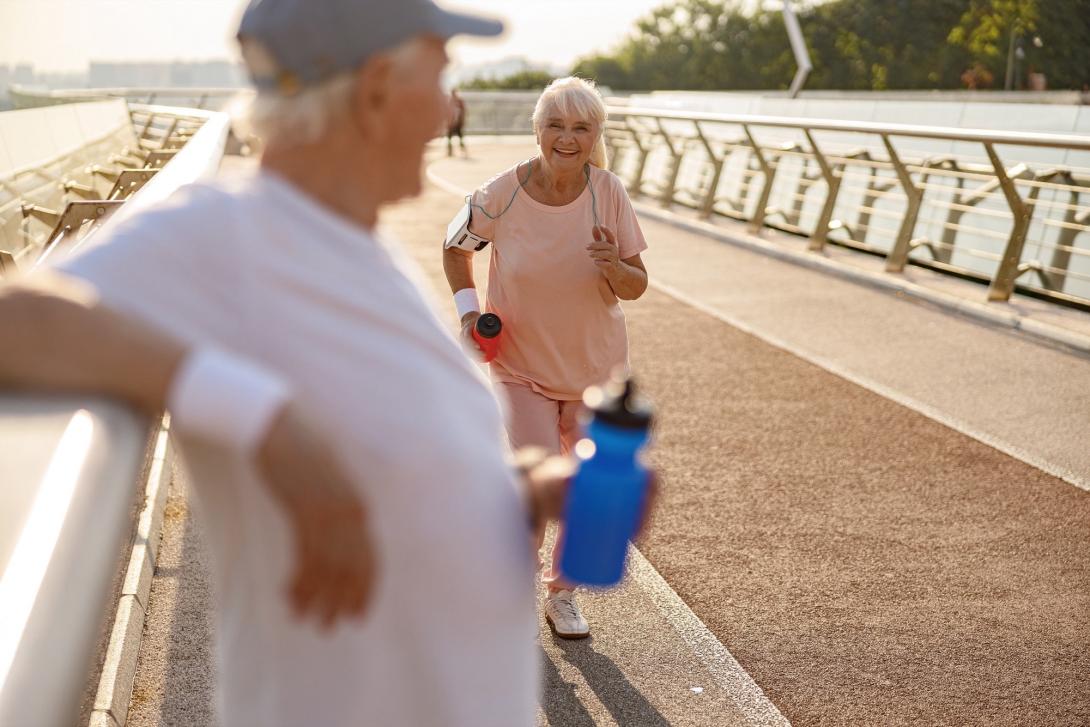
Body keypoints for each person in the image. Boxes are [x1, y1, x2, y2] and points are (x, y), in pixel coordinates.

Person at [0, 2, 598, 725]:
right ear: (376, 88)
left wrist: (527, 490)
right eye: (442, 78)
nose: (449, 110)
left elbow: (393, 465)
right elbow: (16, 319)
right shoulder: (226, 234)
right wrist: (262, 417)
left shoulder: (361, 247)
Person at [442, 76, 649, 639]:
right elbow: (454, 248)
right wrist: (468, 315)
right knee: (533, 479)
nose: (567, 137)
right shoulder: (501, 194)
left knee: (584, 489)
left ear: (594, 135)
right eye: (555, 125)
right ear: (537, 132)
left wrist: (613, 264)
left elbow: (636, 286)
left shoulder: (608, 192)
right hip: (521, 365)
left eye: (581, 127)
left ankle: (562, 595)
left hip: (595, 370)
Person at [447, 88, 467, 156]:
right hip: (451, 123)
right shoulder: (449, 101)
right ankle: (450, 151)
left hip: (458, 123)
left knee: (460, 137)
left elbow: (463, 111)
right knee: (449, 138)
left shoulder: (460, 101)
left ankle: (463, 150)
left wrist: (462, 121)